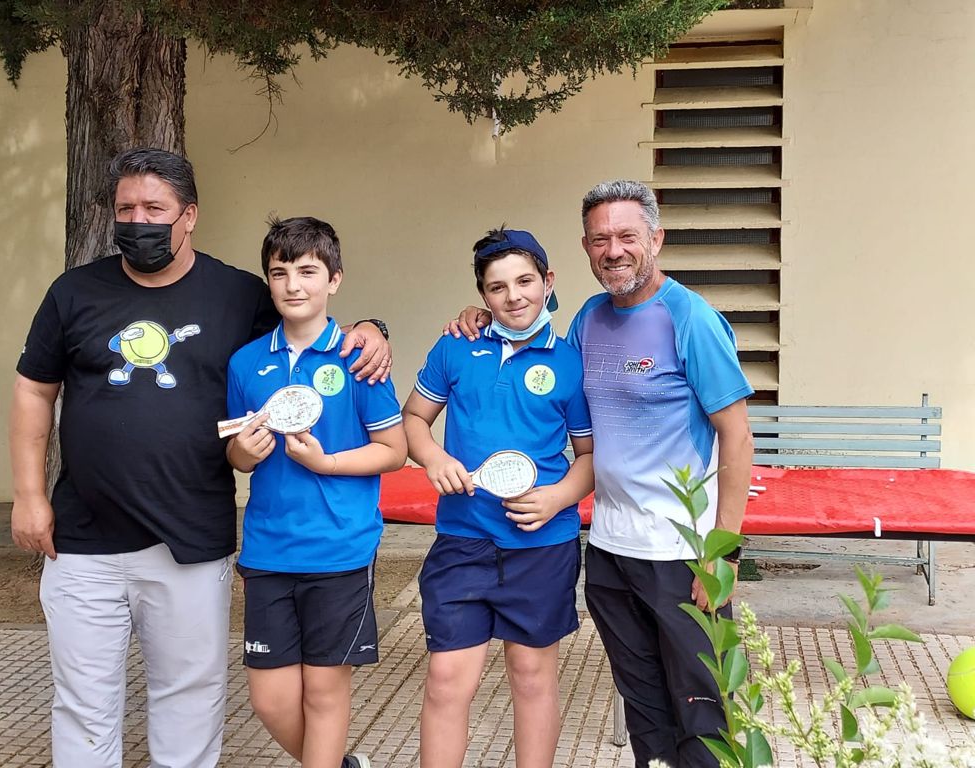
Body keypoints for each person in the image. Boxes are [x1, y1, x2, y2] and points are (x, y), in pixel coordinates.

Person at [9, 147, 391, 768]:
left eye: (154, 208)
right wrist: (28, 494)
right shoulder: (73, 292)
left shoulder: (239, 295)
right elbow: (34, 390)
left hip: (189, 539)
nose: (138, 221)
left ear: (189, 216)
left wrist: (373, 327)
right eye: (126, 209)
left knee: (188, 697)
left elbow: (307, 320)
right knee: (82, 703)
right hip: (81, 540)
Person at [449, 183, 754, 767]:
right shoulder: (589, 317)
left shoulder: (690, 318)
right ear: (586, 248)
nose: (613, 250)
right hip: (611, 551)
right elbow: (531, 343)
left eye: (626, 236)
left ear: (656, 239)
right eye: (600, 239)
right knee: (644, 708)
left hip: (682, 552)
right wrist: (479, 318)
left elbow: (737, 436)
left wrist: (724, 552)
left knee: (704, 711)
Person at [404, 228, 595, 768]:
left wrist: (558, 498)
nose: (514, 296)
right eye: (497, 287)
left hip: (542, 544)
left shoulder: (571, 362)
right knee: (446, 677)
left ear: (548, 282)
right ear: (482, 295)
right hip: (463, 539)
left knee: (532, 676)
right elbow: (415, 417)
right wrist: (433, 457)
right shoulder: (455, 347)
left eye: (525, 281)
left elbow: (589, 455)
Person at [225, 216, 407, 768]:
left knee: (325, 694)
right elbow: (235, 454)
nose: (293, 285)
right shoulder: (246, 362)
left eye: (307, 271)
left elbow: (393, 450)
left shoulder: (360, 358)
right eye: (279, 273)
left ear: (334, 279)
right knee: (270, 700)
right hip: (268, 549)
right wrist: (243, 453)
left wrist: (326, 463)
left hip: (340, 549)